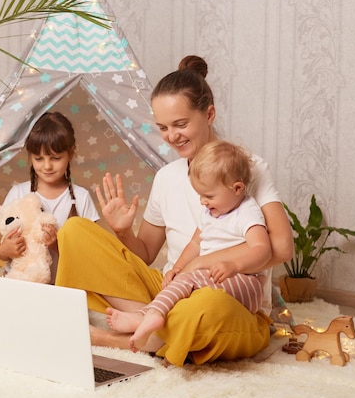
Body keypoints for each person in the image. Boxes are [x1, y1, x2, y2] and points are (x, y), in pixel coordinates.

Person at [54, 55, 293, 366]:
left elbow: (283, 247)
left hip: (229, 297)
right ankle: (155, 321)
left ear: (209, 114)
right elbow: (145, 254)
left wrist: (203, 263)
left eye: (181, 124)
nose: (172, 136)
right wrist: (123, 230)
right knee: (74, 231)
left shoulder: (250, 169)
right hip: (171, 287)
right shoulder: (167, 177)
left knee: (206, 307)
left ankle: (117, 338)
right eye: (163, 127)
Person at [106, 140, 272, 352]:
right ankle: (157, 322)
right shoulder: (210, 213)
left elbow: (262, 249)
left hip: (246, 283)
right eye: (200, 195)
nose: (203, 202)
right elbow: (195, 243)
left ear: (237, 188)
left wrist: (234, 265)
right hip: (214, 281)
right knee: (185, 286)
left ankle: (147, 316)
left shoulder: (247, 211)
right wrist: (177, 268)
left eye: (209, 196)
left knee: (190, 281)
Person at [0, 111, 100, 283]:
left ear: (71, 154)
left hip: (64, 286)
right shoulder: (18, 193)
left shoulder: (81, 198)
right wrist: (5, 250)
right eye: (38, 158)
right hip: (20, 285)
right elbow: (1, 251)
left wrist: (56, 245)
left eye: (55, 158)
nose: (47, 166)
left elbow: (90, 255)